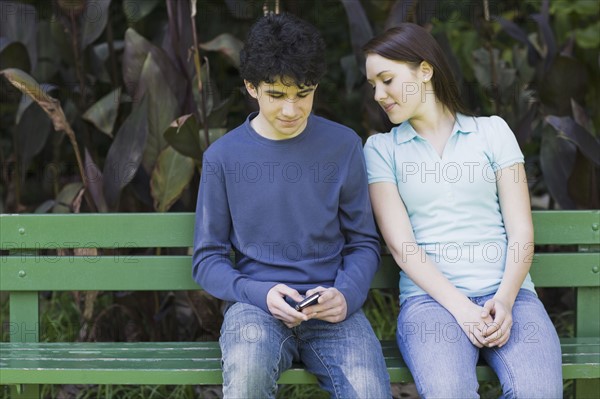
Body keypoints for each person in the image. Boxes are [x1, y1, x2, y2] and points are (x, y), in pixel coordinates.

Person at [192, 12, 391, 398]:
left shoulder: (343, 145)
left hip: (332, 307)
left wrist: (346, 295)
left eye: (304, 94)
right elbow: (207, 260)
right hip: (256, 308)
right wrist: (256, 292)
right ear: (251, 86)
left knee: (368, 391)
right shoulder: (223, 157)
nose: (291, 109)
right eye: (277, 95)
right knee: (247, 376)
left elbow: (363, 242)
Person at [362, 23, 562, 398]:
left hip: (511, 295)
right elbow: (403, 247)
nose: (378, 94)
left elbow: (521, 232)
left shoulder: (493, 133)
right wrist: (462, 309)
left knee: (539, 392)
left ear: (424, 70)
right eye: (373, 84)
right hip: (430, 303)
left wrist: (503, 300)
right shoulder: (380, 150)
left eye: (386, 80)